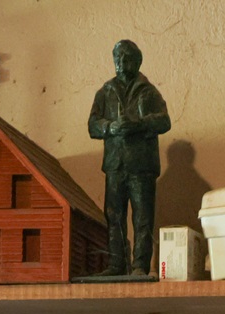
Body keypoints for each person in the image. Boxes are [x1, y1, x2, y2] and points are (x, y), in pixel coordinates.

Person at [87, 38, 170, 276]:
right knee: (114, 215)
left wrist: (139, 124)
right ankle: (116, 264)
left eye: (126, 58)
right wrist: (110, 127)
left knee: (142, 217)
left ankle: (140, 266)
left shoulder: (149, 91)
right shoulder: (105, 92)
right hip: (115, 164)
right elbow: (93, 125)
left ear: (137, 61)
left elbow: (164, 121)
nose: (121, 62)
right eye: (117, 58)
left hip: (141, 164)